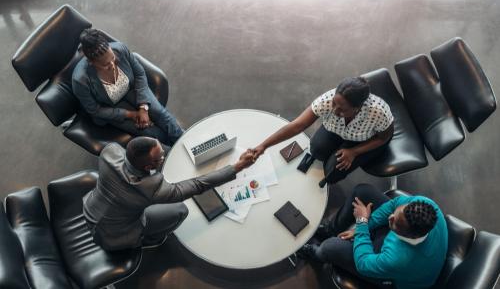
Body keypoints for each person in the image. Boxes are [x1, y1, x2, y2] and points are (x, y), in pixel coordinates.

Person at [83, 136, 255, 251]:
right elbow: (197, 185)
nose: (164, 156)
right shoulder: (152, 188)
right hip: (116, 235)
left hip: (91, 209)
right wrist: (238, 166)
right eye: (160, 157)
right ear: (148, 167)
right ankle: (151, 240)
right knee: (180, 210)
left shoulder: (110, 152)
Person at [299, 184, 448, 289]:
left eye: (395, 224)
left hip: (398, 277)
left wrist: (362, 223)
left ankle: (315, 254)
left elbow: (363, 263)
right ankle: (330, 229)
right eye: (395, 215)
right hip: (401, 249)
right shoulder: (425, 204)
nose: (390, 218)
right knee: (362, 191)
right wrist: (362, 228)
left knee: (331, 248)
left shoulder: (397, 259)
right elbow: (392, 206)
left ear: (409, 234)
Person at [252, 77, 394, 186]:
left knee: (333, 173)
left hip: (363, 140)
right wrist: (263, 146)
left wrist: (354, 152)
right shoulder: (327, 100)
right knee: (317, 150)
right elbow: (297, 125)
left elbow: (383, 138)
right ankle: (333, 151)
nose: (334, 110)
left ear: (357, 108)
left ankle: (341, 156)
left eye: (342, 109)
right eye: (334, 104)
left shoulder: (378, 112)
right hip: (335, 130)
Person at [72, 28, 183, 146]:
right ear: (91, 62)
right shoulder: (80, 80)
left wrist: (143, 108)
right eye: (105, 65)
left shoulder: (120, 48)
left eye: (113, 58)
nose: (112, 65)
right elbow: (95, 110)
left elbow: (139, 74)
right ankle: (175, 149)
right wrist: (131, 114)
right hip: (110, 106)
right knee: (148, 131)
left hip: (131, 89)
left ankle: (184, 140)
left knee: (160, 113)